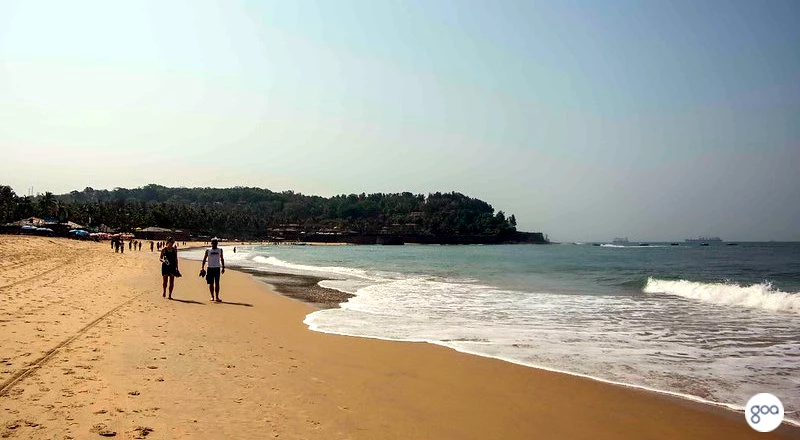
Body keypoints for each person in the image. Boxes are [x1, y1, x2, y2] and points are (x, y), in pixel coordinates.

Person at [201, 237, 225, 302]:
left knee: (217, 283)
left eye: (216, 242)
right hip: (210, 268)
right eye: (213, 242)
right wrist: (202, 268)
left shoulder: (220, 250)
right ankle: (212, 296)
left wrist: (223, 267)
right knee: (211, 283)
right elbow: (204, 259)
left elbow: (222, 259)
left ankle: (217, 297)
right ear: (211, 243)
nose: (214, 244)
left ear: (217, 243)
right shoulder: (208, 250)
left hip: (217, 268)